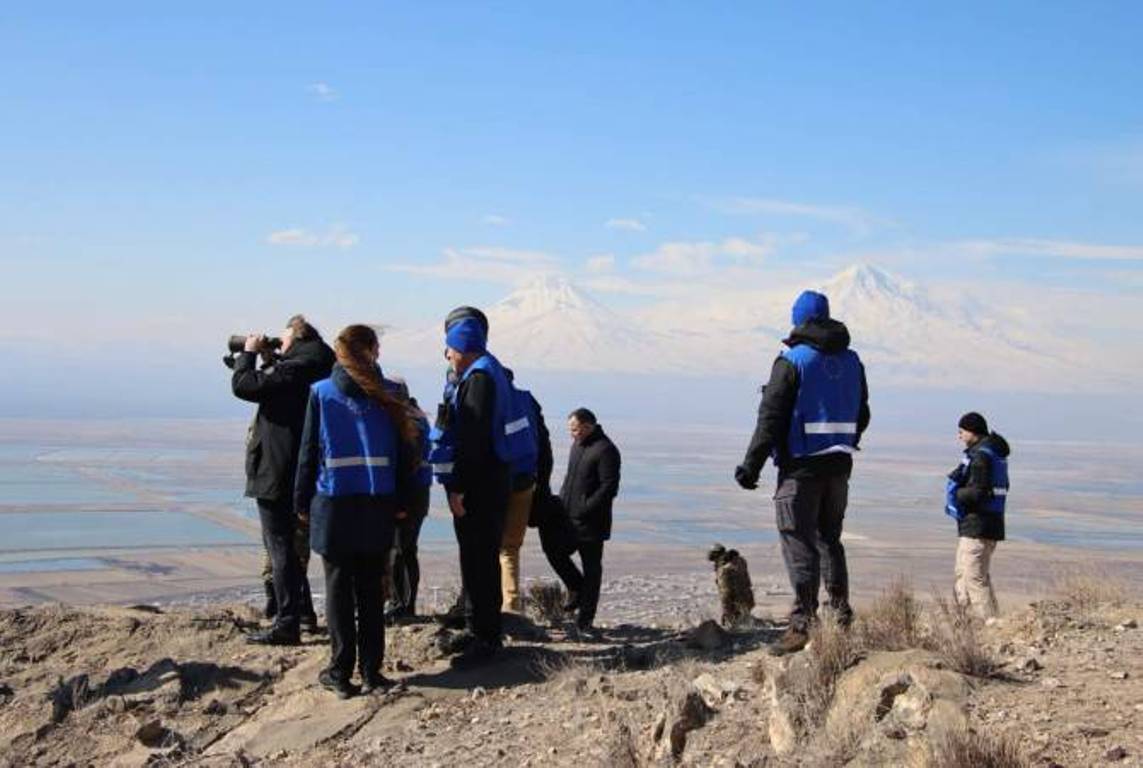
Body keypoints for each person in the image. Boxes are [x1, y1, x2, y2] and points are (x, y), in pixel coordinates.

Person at [735, 290, 870, 656]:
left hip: (802, 467)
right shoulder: (853, 361)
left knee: (798, 540)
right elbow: (863, 414)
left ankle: (802, 625)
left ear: (798, 320)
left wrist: (751, 465)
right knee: (830, 539)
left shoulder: (792, 361)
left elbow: (771, 418)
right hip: (840, 465)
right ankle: (840, 614)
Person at [294, 324, 418, 698]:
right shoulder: (390, 394)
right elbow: (407, 455)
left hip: (334, 506)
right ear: (374, 351)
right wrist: (402, 504)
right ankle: (372, 672)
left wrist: (300, 503)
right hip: (378, 504)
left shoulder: (321, 393)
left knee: (338, 591)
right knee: (370, 589)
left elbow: (308, 454)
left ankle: (340, 672)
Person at [230, 314, 334, 645]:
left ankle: (287, 622)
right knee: (287, 546)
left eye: (284, 339)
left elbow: (244, 386)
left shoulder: (298, 368)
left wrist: (247, 354)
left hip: (278, 468)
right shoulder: (317, 365)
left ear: (299, 338)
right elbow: (279, 388)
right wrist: (272, 359)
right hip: (301, 468)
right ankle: (301, 612)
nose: (280, 343)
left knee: (279, 546)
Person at [435, 312, 516, 667]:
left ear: (462, 345)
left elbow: (473, 441)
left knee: (480, 559)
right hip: (489, 481)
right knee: (475, 558)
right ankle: (477, 626)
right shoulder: (485, 370)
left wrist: (459, 488)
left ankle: (486, 638)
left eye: (450, 347)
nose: (447, 355)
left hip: (480, 486)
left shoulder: (479, 378)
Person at [551, 407, 621, 636]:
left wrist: (584, 508)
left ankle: (585, 621)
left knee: (592, 570)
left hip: (592, 523)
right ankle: (577, 589)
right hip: (568, 518)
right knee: (555, 551)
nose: (572, 434)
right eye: (571, 430)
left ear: (588, 426)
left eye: (575, 429)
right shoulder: (578, 445)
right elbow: (570, 479)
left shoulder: (606, 450)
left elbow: (608, 487)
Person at [946, 411, 1010, 619]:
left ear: (972, 431)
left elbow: (977, 492)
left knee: (974, 578)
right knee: (964, 575)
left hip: (978, 526)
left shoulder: (981, 457)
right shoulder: (993, 454)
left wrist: (957, 494)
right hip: (982, 525)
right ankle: (966, 624)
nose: (959, 436)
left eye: (962, 431)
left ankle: (989, 625)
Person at [387, 396, 433, 623]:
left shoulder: (409, 422)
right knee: (405, 550)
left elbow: (408, 466)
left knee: (400, 551)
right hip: (418, 494)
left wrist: (400, 503)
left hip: (410, 495)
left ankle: (402, 605)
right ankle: (403, 604)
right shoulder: (417, 417)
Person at [708, 543, 755, 627]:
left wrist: (726, 612)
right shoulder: (739, 561)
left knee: (736, 627)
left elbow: (725, 592)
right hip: (747, 598)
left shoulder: (723, 569)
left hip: (735, 602)